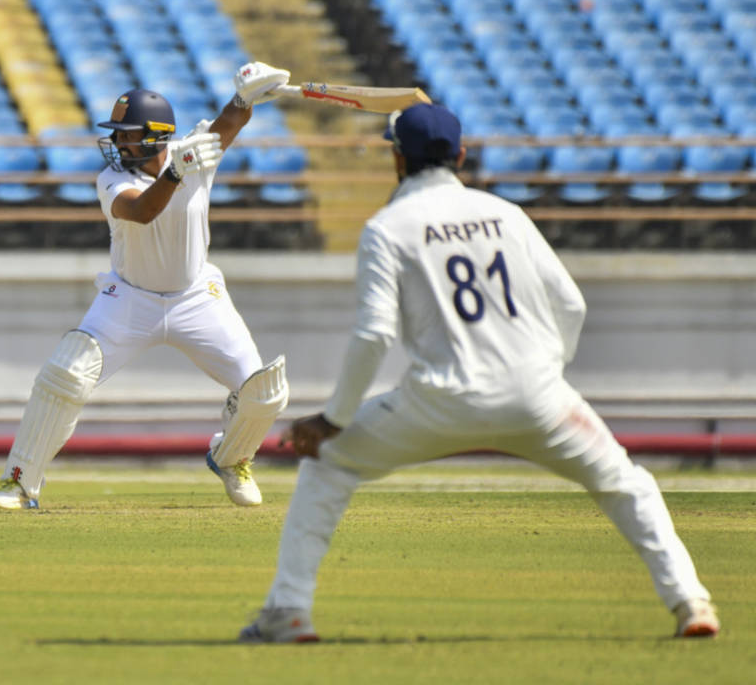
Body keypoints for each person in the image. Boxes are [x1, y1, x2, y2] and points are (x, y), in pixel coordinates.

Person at [240, 103, 719, 641]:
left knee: (327, 464)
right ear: (462, 155)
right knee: (627, 485)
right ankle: (690, 602)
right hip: (538, 397)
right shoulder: (507, 214)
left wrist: (332, 420)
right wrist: (546, 373)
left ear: (397, 160)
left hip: (438, 401)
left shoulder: (387, 228)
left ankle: (289, 611)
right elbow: (573, 306)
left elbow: (374, 335)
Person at [0, 63, 294, 510]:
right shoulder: (112, 179)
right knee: (65, 375)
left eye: (127, 135)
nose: (118, 143)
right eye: (118, 134)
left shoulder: (193, 154)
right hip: (129, 299)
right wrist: (175, 174)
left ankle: (231, 456)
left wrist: (245, 97)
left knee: (265, 392)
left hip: (196, 297)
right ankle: (20, 482)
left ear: (156, 135)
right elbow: (142, 211)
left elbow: (228, 124)